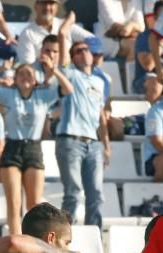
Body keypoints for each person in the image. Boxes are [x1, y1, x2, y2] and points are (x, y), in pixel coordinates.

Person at [0, 57, 71, 235]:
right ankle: (16, 243)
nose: (25, 76)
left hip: (33, 147)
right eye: (21, 73)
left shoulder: (43, 94)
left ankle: (32, 243)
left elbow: (68, 89)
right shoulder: (9, 93)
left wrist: (53, 70)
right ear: (15, 79)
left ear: (35, 79)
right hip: (13, 146)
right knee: (14, 203)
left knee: (33, 205)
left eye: (29, 74)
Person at [55, 40, 109, 227]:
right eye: (77, 51)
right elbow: (62, 45)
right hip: (71, 139)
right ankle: (62, 236)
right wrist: (68, 25)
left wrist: (106, 146)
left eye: (86, 50)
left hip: (93, 142)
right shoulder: (70, 74)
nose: (83, 53)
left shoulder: (100, 81)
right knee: (73, 192)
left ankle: (94, 235)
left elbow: (101, 116)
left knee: (96, 194)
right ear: (72, 57)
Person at [17, 2, 92, 65]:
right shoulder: (27, 33)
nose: (47, 7)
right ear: (36, 6)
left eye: (51, 3)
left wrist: (79, 52)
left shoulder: (66, 24)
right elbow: (28, 65)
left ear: (57, 7)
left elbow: (94, 41)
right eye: (43, 3)